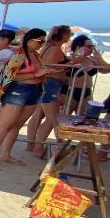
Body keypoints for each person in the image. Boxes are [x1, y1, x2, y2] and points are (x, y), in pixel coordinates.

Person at [0, 29, 49, 171]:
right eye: (40, 41)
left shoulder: (36, 55)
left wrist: (42, 74)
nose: (42, 44)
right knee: (4, 126)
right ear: (30, 40)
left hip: (33, 91)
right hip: (18, 91)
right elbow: (9, 77)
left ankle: (5, 154)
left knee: (16, 125)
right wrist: (36, 75)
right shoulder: (19, 55)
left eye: (44, 41)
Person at [25, 25, 73, 157]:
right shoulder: (56, 49)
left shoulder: (46, 47)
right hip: (50, 85)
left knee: (38, 115)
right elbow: (52, 68)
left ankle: (31, 144)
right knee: (52, 118)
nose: (70, 37)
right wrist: (71, 64)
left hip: (43, 84)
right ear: (63, 35)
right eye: (69, 34)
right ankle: (38, 147)